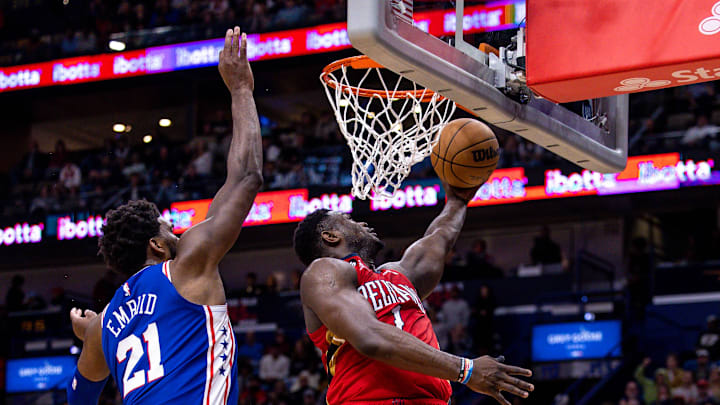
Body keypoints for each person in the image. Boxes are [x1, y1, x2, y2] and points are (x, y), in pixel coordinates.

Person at [66, 27, 262, 405]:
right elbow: (247, 177)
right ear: (156, 245)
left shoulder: (106, 322)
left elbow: (78, 398)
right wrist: (241, 89)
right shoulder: (185, 265)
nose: (179, 232)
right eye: (169, 229)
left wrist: (95, 337)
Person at [293, 182, 534, 405]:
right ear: (331, 236)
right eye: (347, 219)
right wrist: (466, 370)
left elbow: (440, 237)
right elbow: (369, 337)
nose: (361, 223)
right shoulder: (323, 272)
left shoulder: (396, 274)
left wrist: (458, 199)